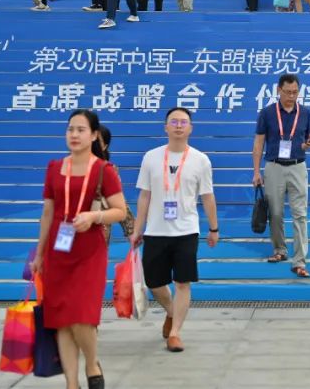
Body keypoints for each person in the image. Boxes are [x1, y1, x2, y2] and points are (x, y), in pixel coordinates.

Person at [30, 109, 127, 389]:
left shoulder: (104, 170)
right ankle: (71, 384)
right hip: (58, 251)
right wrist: (39, 254)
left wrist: (94, 216)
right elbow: (48, 213)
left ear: (94, 135)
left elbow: (120, 211)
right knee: (61, 319)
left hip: (89, 252)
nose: (74, 134)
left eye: (81, 130)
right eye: (70, 129)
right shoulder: (54, 168)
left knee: (82, 316)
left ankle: (92, 363)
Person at [131, 107, 218, 353]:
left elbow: (207, 196)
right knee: (154, 282)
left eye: (183, 122)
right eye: (174, 122)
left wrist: (213, 228)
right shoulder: (151, 157)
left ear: (191, 128)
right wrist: (137, 229)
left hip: (186, 231)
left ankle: (175, 333)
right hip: (156, 230)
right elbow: (144, 196)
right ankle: (171, 311)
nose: (179, 126)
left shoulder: (201, 160)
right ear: (165, 127)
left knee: (182, 282)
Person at [252, 73, 310, 277]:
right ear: (278, 90)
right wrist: (256, 172)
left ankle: (299, 261)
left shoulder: (305, 113)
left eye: (295, 92)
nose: (291, 96)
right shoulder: (267, 113)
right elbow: (258, 143)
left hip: (298, 166)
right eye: (287, 92)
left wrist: (309, 144)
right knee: (276, 212)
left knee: (300, 215)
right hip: (274, 167)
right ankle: (280, 250)